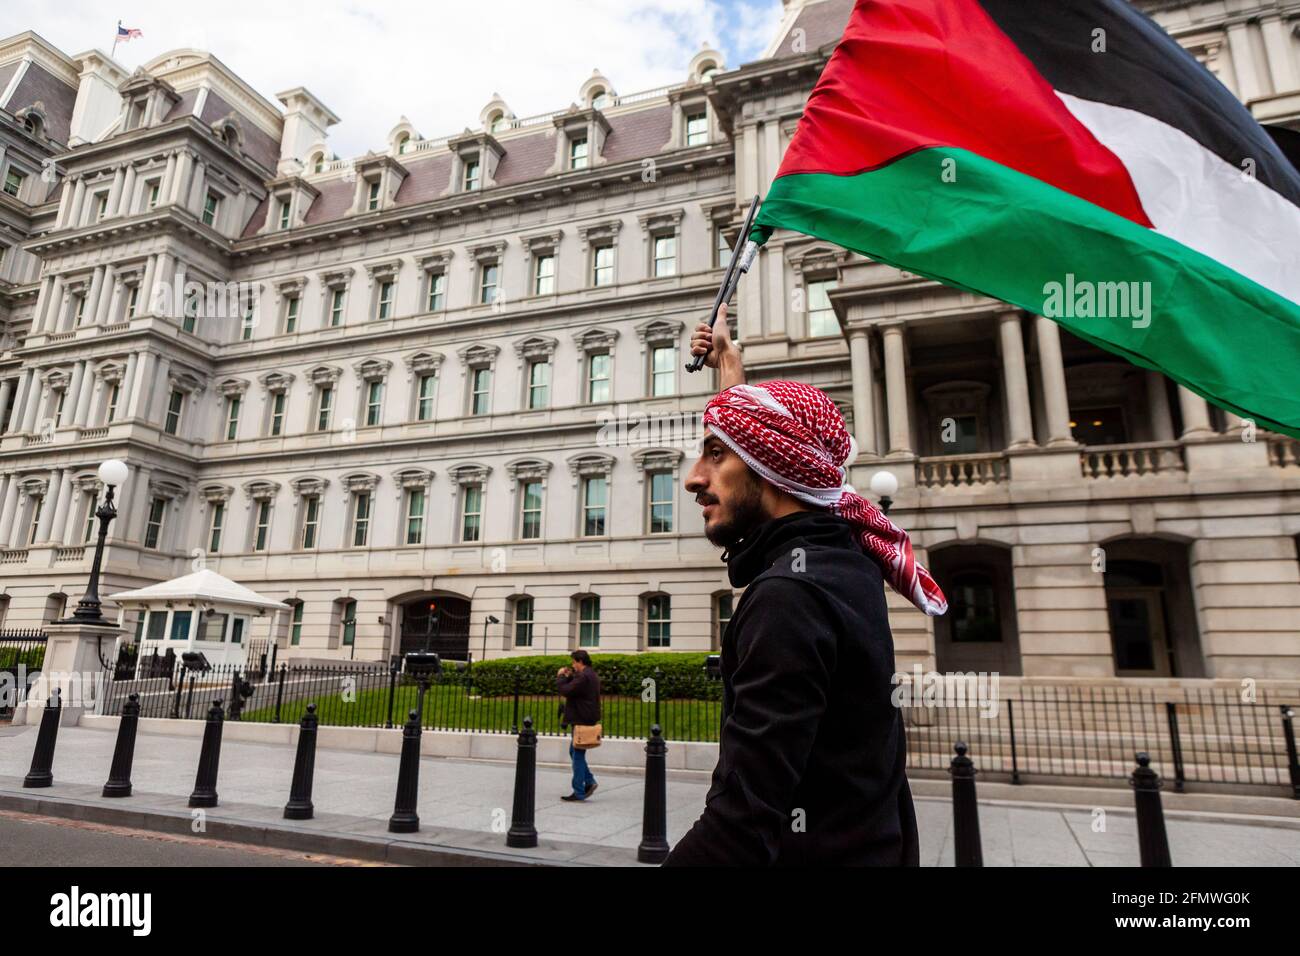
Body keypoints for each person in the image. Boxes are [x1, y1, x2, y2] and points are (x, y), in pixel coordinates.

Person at [661, 304, 947, 866]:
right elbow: (764, 455)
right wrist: (729, 365)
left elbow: (741, 824)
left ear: (774, 467)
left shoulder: (789, 597)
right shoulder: (845, 562)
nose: (694, 478)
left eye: (714, 454)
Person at [556, 649, 601, 802]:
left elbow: (566, 690)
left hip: (581, 719)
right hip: (586, 717)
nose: (572, 665)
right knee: (574, 751)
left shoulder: (584, 676)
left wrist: (561, 676)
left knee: (577, 755)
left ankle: (579, 791)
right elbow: (576, 689)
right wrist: (569, 677)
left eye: (574, 662)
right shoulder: (590, 674)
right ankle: (589, 781)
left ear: (580, 661)